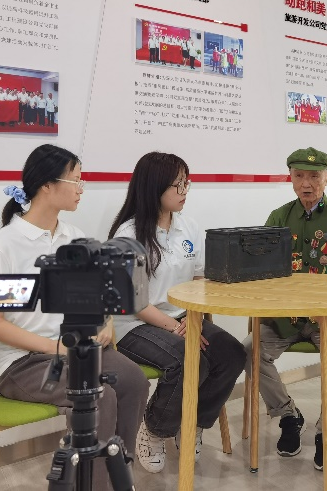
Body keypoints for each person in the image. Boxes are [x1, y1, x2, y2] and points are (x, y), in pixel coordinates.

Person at [0, 144, 149, 488]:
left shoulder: (75, 239)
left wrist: (106, 322)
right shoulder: (8, 245)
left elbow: (99, 297)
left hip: (77, 350)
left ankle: (116, 472)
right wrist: (56, 347)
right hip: (23, 363)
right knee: (99, 394)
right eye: (75, 180)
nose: (81, 188)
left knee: (133, 381)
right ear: (47, 185)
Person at [109, 151, 246, 474]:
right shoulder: (128, 235)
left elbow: (198, 280)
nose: (185, 192)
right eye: (177, 185)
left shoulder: (188, 227)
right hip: (134, 324)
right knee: (187, 358)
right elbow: (136, 303)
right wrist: (174, 327)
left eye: (187, 183)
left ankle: (192, 423)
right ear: (153, 187)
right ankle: (155, 429)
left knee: (232, 353)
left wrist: (193, 319)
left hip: (183, 317)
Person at [244, 147, 327, 472]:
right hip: (284, 319)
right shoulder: (278, 217)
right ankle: (288, 415)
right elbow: (262, 271)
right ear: (290, 177)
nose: (306, 183)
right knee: (249, 349)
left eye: (314, 176)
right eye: (299, 176)